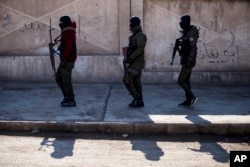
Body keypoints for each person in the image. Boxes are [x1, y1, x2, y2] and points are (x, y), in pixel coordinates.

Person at [123, 16, 147, 107]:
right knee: (136, 80)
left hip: (137, 62)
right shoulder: (134, 34)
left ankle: (137, 98)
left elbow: (140, 48)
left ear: (135, 23)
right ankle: (139, 101)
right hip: (134, 61)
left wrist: (131, 58)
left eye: (131, 23)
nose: (130, 25)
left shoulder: (140, 35)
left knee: (126, 79)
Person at [177, 15, 199, 107]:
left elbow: (193, 48)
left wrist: (189, 59)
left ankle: (192, 97)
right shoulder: (186, 32)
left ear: (186, 22)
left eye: (182, 21)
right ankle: (188, 100)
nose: (180, 23)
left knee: (180, 81)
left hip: (188, 60)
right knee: (186, 81)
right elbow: (187, 45)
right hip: (185, 59)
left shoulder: (190, 33)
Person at [55, 16, 77, 107]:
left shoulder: (68, 32)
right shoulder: (67, 31)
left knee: (66, 80)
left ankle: (70, 99)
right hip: (65, 59)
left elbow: (68, 47)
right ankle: (66, 96)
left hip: (67, 60)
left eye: (61, 23)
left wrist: (63, 58)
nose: (60, 25)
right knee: (59, 77)